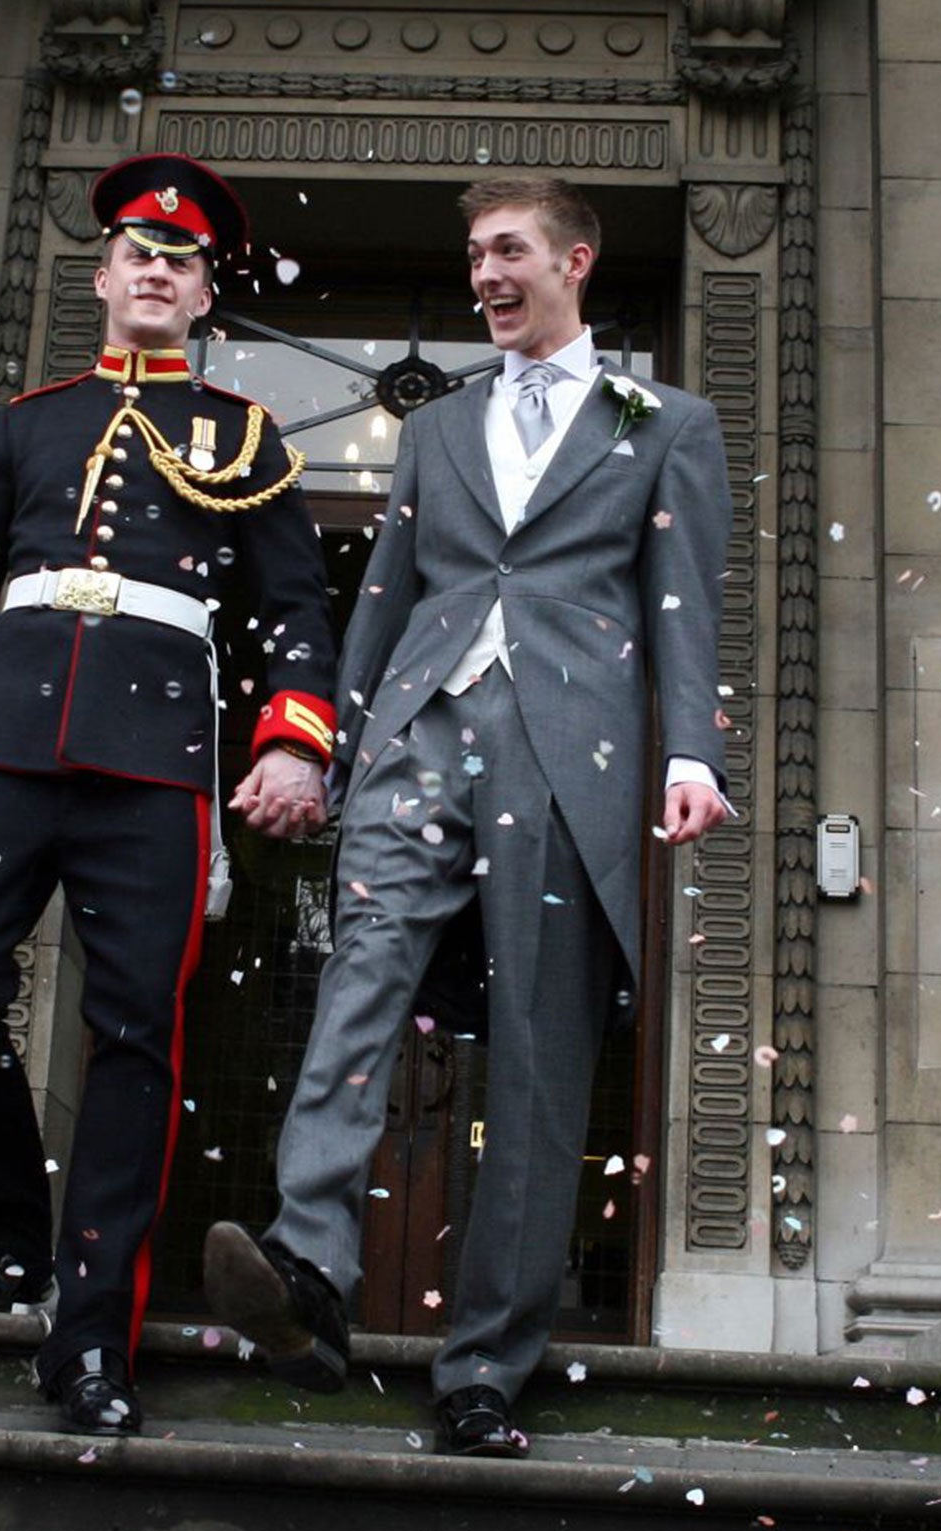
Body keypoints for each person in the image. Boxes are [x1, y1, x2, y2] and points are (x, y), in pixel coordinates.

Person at [202, 175, 734, 1458]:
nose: (484, 274)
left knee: (542, 1057)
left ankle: (486, 1363)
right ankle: (310, 1258)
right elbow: (381, 595)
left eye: (507, 252)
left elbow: (681, 605)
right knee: (358, 975)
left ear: (575, 263)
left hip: (571, 749)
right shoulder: (438, 429)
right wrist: (320, 741)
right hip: (419, 730)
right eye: (472, 255)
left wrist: (691, 756)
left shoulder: (663, 421)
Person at [0, 153, 336, 1437]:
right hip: (6, 742)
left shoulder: (245, 439)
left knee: (135, 1037)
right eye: (138, 254)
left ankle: (89, 1334)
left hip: (155, 763)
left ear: (199, 294)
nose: (157, 271)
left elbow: (296, 613)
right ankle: (9, 1231)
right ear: (104, 274)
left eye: (180, 261)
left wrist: (295, 740)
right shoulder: (29, 423)